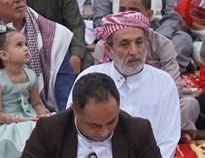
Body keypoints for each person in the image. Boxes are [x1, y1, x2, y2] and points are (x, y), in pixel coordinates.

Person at [67, 11, 181, 157]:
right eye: (125, 44)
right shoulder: (88, 78)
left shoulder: (164, 83)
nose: (134, 51)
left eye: (139, 42)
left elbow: (167, 143)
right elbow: (75, 134)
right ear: (108, 50)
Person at [22, 73, 161, 158]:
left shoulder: (138, 131)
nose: (104, 132)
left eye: (111, 121)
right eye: (94, 125)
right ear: (74, 110)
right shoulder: (49, 130)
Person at [0, 24, 51, 157]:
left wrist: (44, 115)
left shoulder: (30, 75)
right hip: (3, 122)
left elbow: (35, 103)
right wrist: (24, 121)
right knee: (16, 141)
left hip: (29, 116)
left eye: (25, 44)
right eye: (19, 45)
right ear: (4, 55)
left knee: (51, 129)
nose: (26, 48)